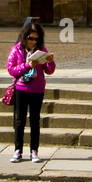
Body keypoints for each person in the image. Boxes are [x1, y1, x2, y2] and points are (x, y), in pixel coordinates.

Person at [7, 17, 55, 163]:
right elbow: (11, 70)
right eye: (31, 38)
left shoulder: (42, 50)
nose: (33, 41)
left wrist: (50, 62)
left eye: (36, 39)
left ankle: (34, 151)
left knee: (35, 121)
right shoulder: (16, 50)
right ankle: (18, 150)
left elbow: (49, 71)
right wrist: (28, 65)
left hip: (37, 89)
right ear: (24, 36)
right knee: (19, 120)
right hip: (21, 88)